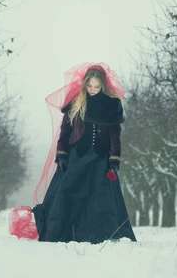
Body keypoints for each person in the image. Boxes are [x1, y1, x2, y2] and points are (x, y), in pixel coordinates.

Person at [32, 62, 137, 244]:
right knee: (68, 193)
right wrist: (62, 154)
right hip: (76, 156)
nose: (92, 90)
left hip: (101, 159)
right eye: (89, 86)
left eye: (96, 86)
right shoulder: (76, 103)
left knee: (101, 197)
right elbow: (65, 132)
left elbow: (114, 135)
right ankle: (66, 234)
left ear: (103, 85)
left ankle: (101, 235)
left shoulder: (112, 105)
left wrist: (114, 159)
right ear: (84, 84)